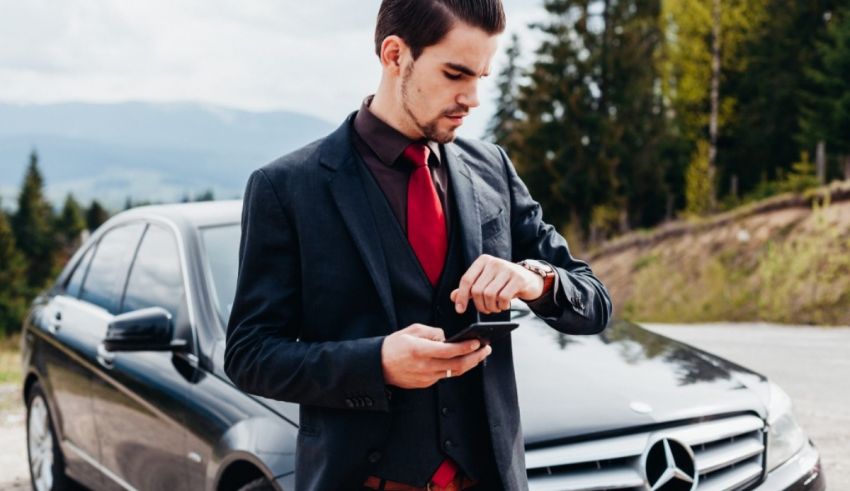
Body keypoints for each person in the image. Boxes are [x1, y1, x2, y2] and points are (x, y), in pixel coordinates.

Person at [224, 1, 612, 490]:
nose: (472, 98)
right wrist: (377, 363)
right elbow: (249, 354)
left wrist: (535, 279)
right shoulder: (287, 188)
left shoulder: (493, 170)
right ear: (394, 55)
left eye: (481, 77)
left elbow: (595, 302)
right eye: (455, 74)